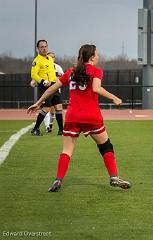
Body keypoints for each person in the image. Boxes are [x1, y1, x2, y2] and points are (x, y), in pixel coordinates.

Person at [27, 44, 131, 192]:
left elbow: (52, 88)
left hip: (72, 116)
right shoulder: (96, 71)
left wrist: (38, 103)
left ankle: (58, 180)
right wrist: (114, 98)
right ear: (92, 57)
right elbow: (96, 88)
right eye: (97, 54)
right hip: (91, 116)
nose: (99, 56)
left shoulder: (71, 71)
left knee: (66, 151)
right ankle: (114, 177)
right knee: (106, 146)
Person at [30, 40, 63, 136]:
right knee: (47, 108)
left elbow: (51, 70)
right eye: (42, 47)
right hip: (45, 87)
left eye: (45, 46)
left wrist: (57, 75)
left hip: (54, 85)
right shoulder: (37, 61)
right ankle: (35, 129)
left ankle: (61, 130)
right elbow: (33, 74)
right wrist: (42, 81)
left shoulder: (49, 58)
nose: (44, 48)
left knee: (59, 107)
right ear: (38, 49)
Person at [44, 52, 64, 133]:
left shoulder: (57, 67)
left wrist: (59, 75)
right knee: (47, 109)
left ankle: (59, 129)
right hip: (46, 91)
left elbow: (63, 76)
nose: (52, 58)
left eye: (53, 57)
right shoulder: (45, 66)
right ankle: (47, 126)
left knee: (57, 109)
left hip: (56, 90)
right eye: (50, 57)